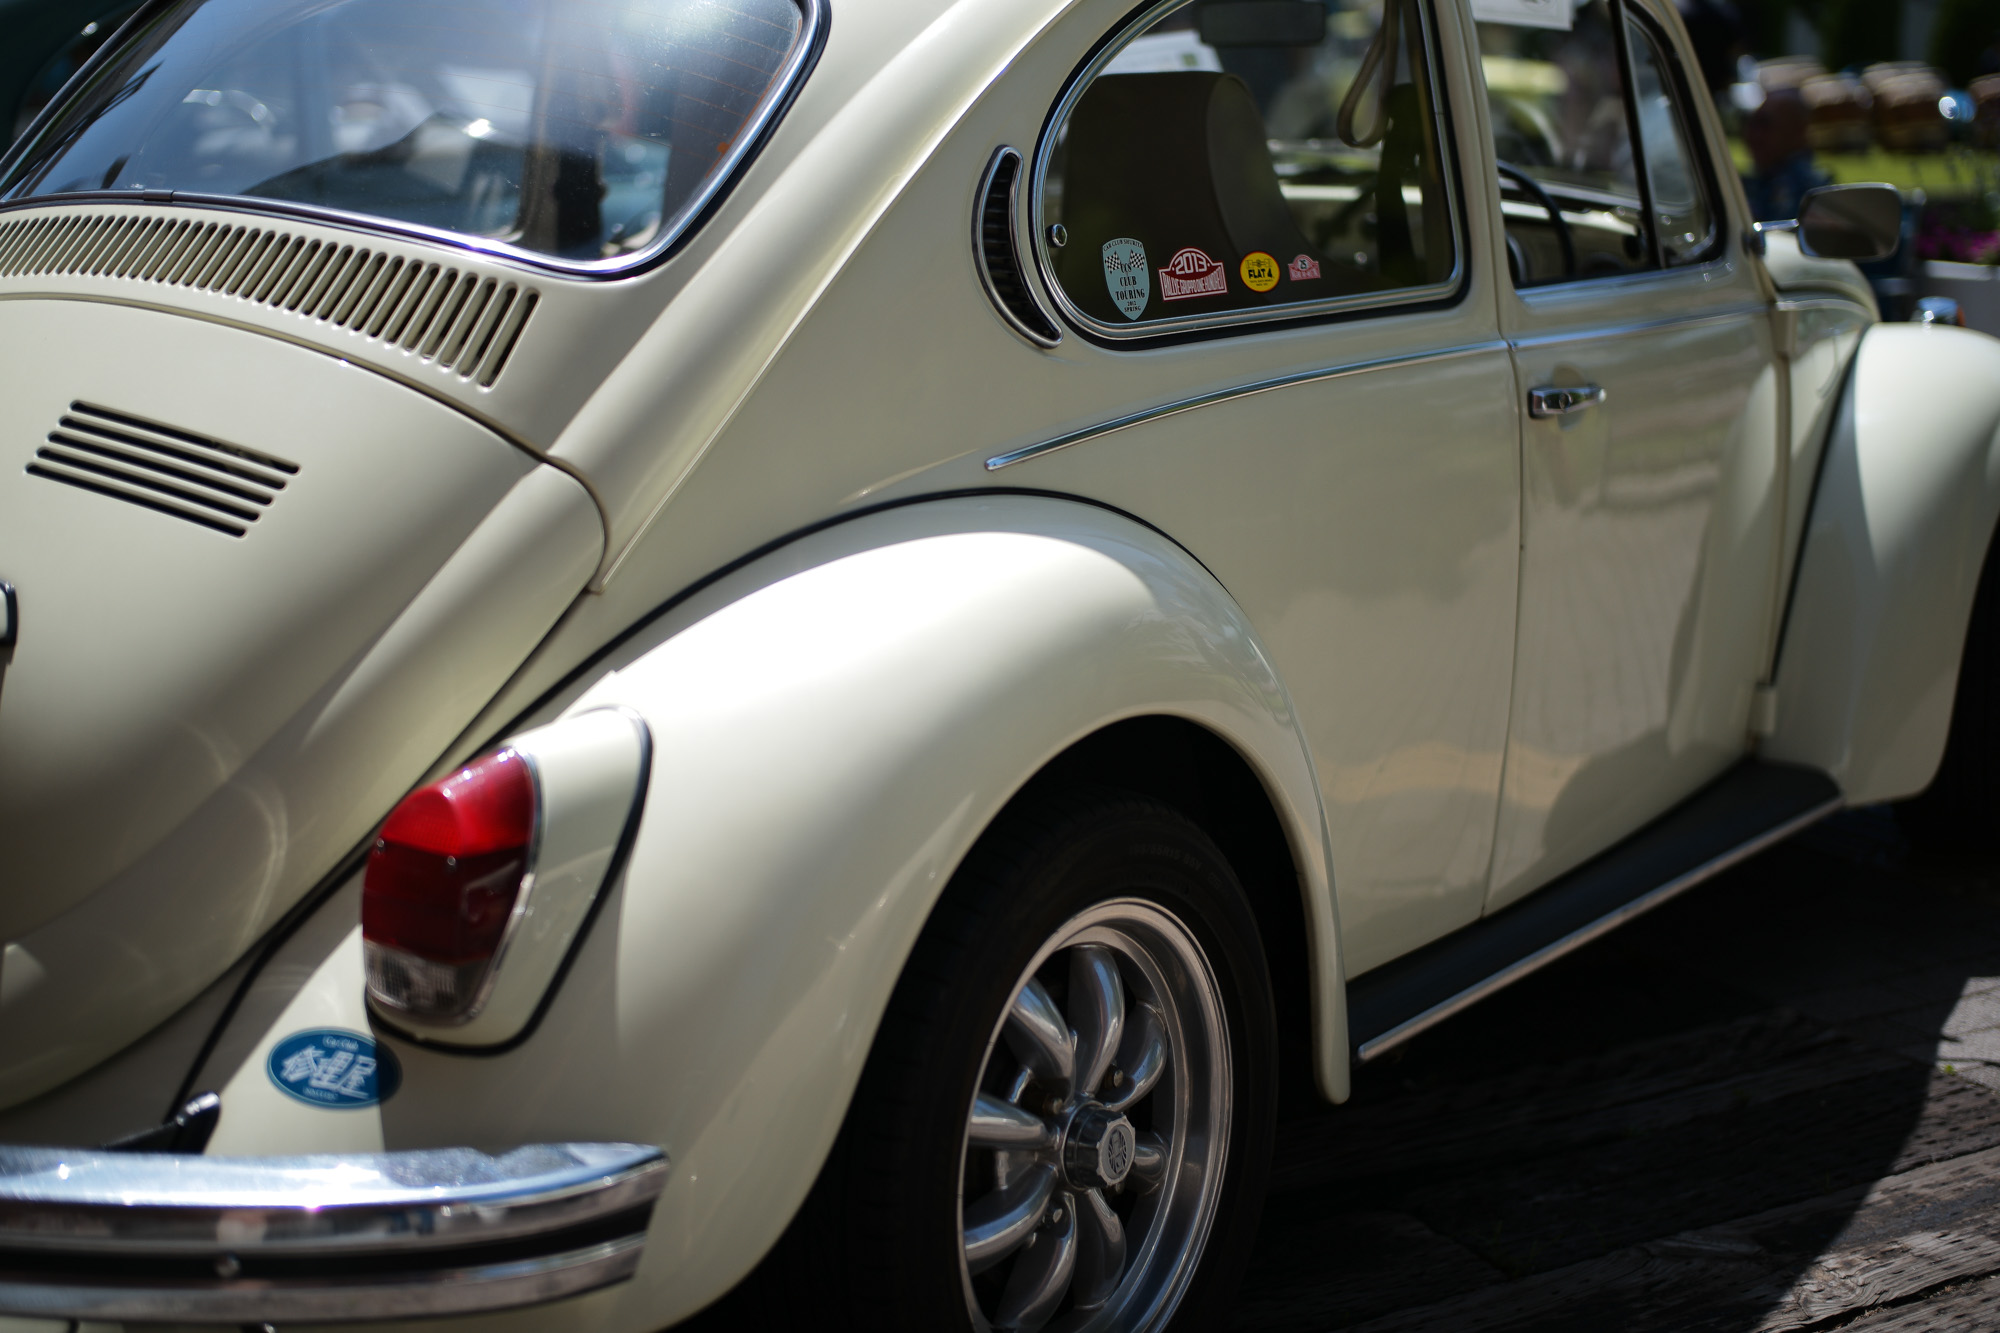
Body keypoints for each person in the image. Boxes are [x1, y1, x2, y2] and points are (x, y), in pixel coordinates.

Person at [1742, 86, 1829, 222]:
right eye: (1751, 124)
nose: (1753, 136)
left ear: (1798, 131)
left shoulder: (1803, 189)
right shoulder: (1763, 180)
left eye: (1765, 125)